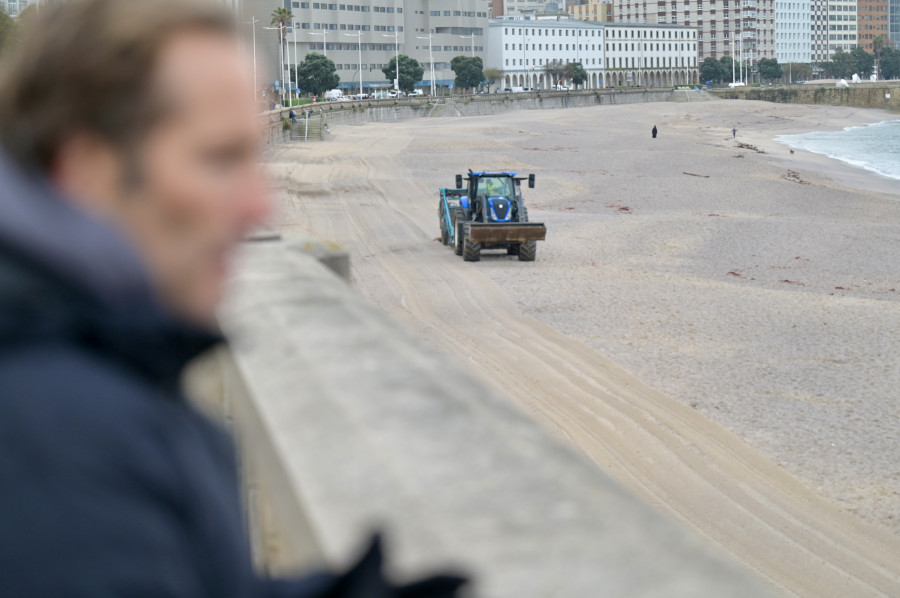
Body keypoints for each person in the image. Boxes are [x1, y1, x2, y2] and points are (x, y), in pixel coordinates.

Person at [0, 1, 465, 597]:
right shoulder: (58, 442)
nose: (259, 206)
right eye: (220, 159)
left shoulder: (79, 353)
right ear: (87, 168)